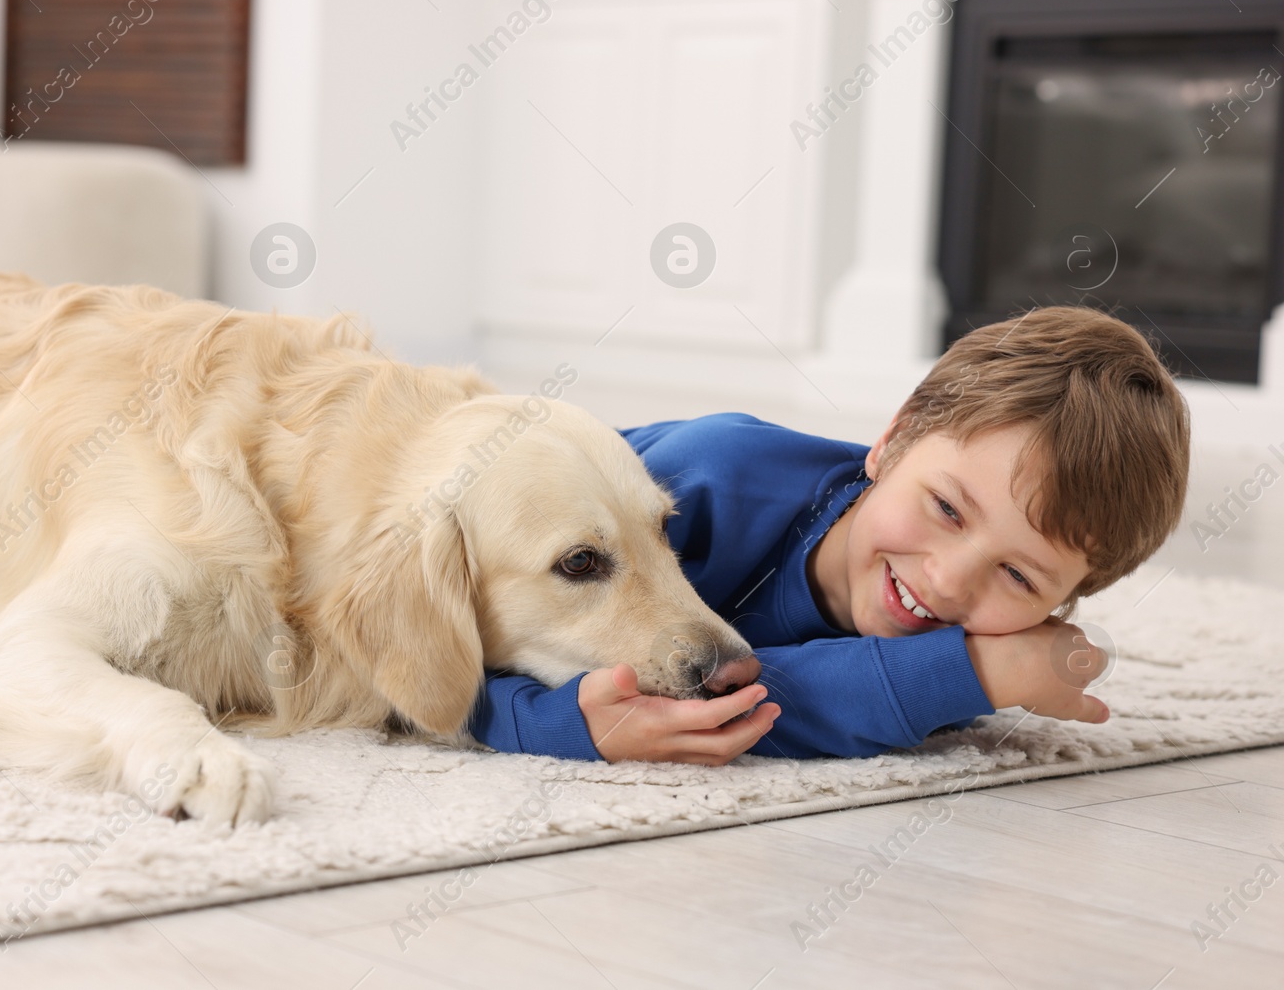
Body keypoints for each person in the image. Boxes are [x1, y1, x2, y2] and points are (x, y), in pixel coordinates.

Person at [467, 306, 1191, 764]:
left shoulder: (985, 644)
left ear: (1061, 606)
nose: (946, 581)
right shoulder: (706, 481)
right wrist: (560, 725)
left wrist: (976, 671)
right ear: (893, 441)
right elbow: (447, 657)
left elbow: (772, 716)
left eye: (1020, 576)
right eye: (946, 508)